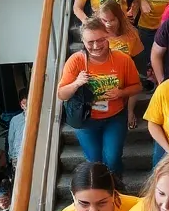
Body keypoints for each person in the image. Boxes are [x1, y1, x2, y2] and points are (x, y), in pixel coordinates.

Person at [57, 18, 142, 176]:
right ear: (82, 40)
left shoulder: (122, 59)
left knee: (112, 158)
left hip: (115, 117)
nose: (96, 46)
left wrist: (121, 93)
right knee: (94, 161)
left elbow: (137, 86)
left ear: (107, 36)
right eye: (90, 42)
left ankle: (115, 187)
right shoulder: (76, 61)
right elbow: (61, 94)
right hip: (87, 119)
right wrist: (76, 83)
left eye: (100, 40)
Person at [7, 92, 27, 175]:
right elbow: (10, 139)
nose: (26, 105)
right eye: (24, 103)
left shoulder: (39, 117)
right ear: (21, 105)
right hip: (18, 156)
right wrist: (12, 157)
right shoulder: (15, 120)